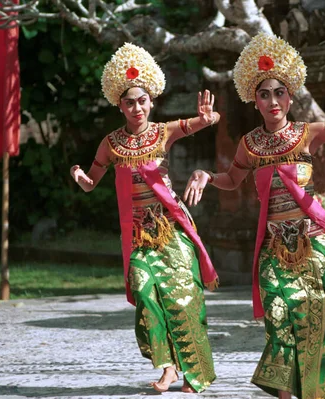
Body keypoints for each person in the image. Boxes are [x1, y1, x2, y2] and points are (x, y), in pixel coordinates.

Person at [183, 33, 325, 399]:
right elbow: (233, 178)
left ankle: (313, 394)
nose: (273, 101)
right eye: (264, 94)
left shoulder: (307, 134)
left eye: (279, 92)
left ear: (291, 96)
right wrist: (206, 175)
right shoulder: (249, 143)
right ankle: (285, 394)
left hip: (313, 244)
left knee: (315, 319)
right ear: (254, 100)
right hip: (273, 247)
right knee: (278, 317)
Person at [70, 43, 219, 394]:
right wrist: (81, 178)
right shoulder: (111, 143)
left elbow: (204, 123)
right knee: (145, 294)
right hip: (139, 235)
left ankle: (194, 374)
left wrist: (208, 117)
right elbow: (93, 182)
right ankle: (167, 367)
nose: (137, 107)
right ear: (119, 105)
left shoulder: (164, 131)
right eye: (129, 102)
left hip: (170, 228)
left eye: (142, 100)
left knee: (183, 298)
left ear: (151, 101)